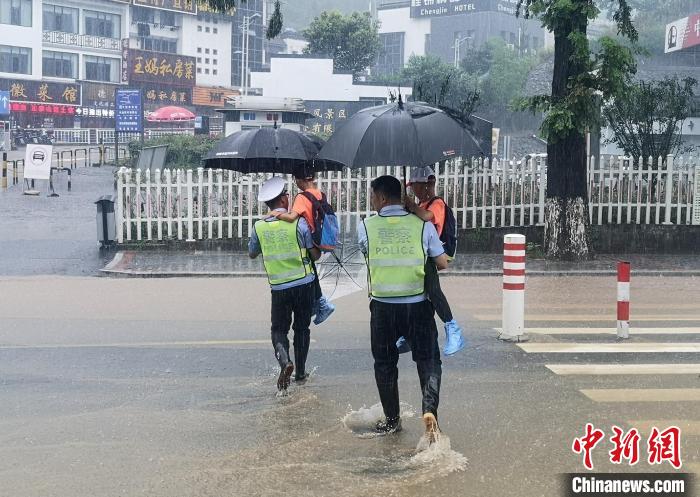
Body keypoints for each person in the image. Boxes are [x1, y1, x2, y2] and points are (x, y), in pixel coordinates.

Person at [357, 175, 447, 441]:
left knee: (385, 364)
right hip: (418, 306)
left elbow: (367, 254)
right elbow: (441, 263)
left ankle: (392, 421)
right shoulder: (422, 225)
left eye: (373, 197)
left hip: (383, 309)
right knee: (428, 360)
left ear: (382, 198)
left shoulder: (366, 227)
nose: (373, 202)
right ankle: (429, 410)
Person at [250, 177, 321, 391]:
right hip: (304, 284)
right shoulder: (298, 223)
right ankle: (300, 371)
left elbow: (252, 253)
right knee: (302, 328)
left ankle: (285, 362)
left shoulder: (259, 227)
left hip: (279, 288)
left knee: (278, 330)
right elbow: (314, 254)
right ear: (283, 199)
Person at [397, 166, 466, 356]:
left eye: (416, 186)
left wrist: (412, 206)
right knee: (420, 294)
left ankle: (453, 329)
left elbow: (428, 218)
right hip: (421, 255)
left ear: (429, 184)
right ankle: (409, 334)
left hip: (434, 255)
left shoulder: (436, 204)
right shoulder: (423, 203)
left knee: (433, 291)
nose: (414, 190)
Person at [266, 165, 336, 325]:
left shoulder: (302, 197)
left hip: (310, 237)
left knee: (308, 269)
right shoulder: (320, 194)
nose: (296, 183)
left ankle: (321, 304)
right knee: (311, 269)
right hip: (321, 236)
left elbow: (291, 217)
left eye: (296, 180)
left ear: (301, 180)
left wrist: (276, 213)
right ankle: (316, 304)